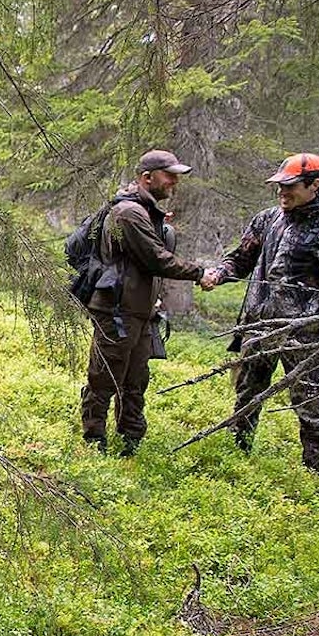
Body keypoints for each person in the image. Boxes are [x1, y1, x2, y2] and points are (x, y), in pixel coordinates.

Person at [200, 153, 319, 476]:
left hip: (303, 336)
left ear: (315, 184)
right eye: (279, 186)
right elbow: (241, 259)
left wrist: (315, 316)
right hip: (258, 326)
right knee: (246, 395)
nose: (282, 192)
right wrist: (219, 273)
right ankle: (234, 461)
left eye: (290, 186)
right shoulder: (268, 219)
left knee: (312, 405)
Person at [81, 149, 207, 455]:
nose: (174, 182)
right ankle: (94, 440)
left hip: (140, 313)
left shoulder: (145, 211)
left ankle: (130, 441)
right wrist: (200, 273)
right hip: (117, 311)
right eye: (169, 175)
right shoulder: (128, 212)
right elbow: (156, 259)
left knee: (136, 379)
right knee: (104, 377)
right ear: (147, 178)